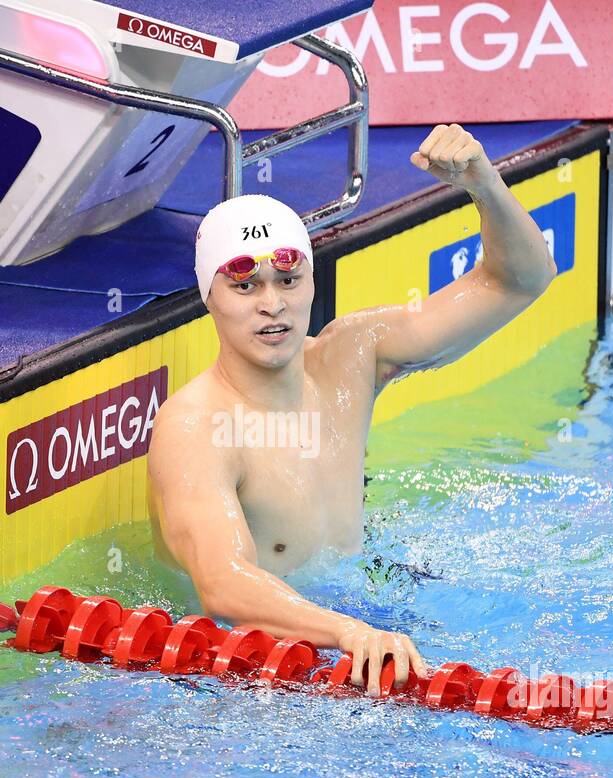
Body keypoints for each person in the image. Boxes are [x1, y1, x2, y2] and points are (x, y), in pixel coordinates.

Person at [148, 124, 557, 695]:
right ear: (207, 296)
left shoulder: (352, 357)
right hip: (261, 680)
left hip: (364, 623)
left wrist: (482, 184)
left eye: (288, 279)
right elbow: (222, 583)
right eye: (245, 287)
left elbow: (520, 281)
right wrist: (347, 632)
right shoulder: (195, 426)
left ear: (311, 282)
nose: (273, 304)